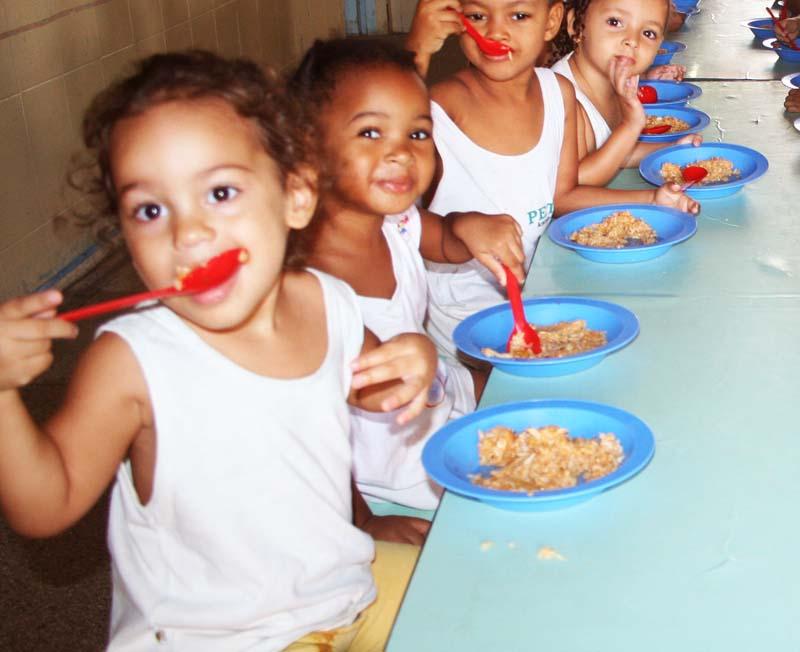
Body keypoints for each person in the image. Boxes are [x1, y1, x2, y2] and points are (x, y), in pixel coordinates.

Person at [0, 51, 440, 651]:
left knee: (479, 587)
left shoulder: (328, 302)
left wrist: (414, 359)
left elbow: (379, 385)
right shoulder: (133, 360)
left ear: (296, 196)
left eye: (221, 192)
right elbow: (45, 506)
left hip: (338, 592)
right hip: (224, 638)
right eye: (150, 210)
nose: (188, 233)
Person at [289, 39, 525, 520]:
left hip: (440, 396)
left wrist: (466, 227)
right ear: (309, 146)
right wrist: (364, 522)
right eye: (371, 132)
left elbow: (442, 239)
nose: (401, 153)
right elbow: (305, 432)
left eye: (418, 134)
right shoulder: (301, 284)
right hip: (391, 467)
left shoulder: (395, 222)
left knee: (541, 396)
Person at [405, 0, 699, 359]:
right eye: (478, 16)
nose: (496, 31)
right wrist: (418, 52)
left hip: (535, 293)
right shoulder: (437, 108)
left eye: (518, 16)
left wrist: (652, 200)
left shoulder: (557, 92)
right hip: (463, 322)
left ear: (552, 21)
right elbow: (373, 183)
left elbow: (564, 196)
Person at [550, 0, 700, 186]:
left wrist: (671, 148)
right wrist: (652, 198)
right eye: (615, 22)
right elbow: (573, 184)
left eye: (648, 33)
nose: (633, 40)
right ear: (575, 25)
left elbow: (613, 151)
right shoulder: (563, 99)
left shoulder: (613, 83)